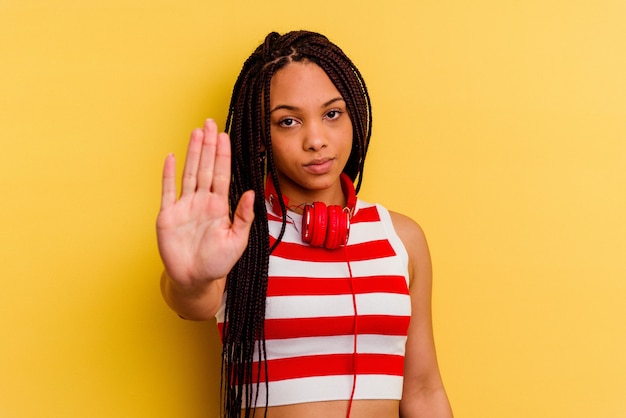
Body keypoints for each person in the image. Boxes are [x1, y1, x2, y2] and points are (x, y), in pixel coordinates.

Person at [157, 30, 453, 418]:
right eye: (288, 122)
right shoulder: (233, 237)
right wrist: (190, 279)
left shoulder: (402, 238)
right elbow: (193, 302)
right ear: (261, 136)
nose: (316, 139)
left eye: (332, 114)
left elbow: (423, 389)